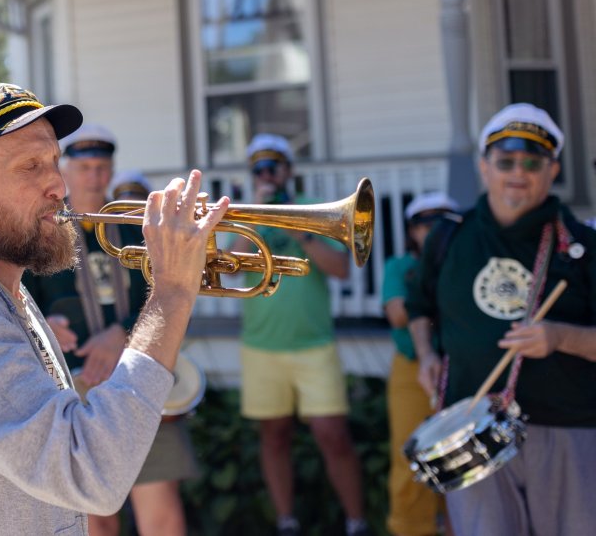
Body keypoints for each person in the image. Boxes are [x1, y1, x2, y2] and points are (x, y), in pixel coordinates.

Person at [0, 82, 227, 535]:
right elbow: (87, 472)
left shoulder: (4, 293)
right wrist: (171, 292)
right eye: (30, 166)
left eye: (55, 161)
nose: (58, 185)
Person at [407, 103, 596, 536]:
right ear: (484, 167)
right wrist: (424, 354)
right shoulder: (448, 237)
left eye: (532, 162)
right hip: (470, 429)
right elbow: (419, 307)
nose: (518, 172)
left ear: (553, 171)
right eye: (505, 160)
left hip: (566, 427)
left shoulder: (582, 245)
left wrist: (560, 337)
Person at [23, 125, 198, 536]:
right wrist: (45, 326)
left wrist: (121, 332)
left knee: (162, 511)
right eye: (84, 167)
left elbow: (171, 292)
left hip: (140, 377)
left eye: (102, 167)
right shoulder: (41, 229)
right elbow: (16, 301)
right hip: (71, 384)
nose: (94, 176)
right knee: (92, 516)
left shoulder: (136, 224)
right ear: (65, 169)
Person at [233, 134, 368, 536]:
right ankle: (286, 522)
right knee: (273, 436)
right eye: (260, 168)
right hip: (262, 346)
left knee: (334, 435)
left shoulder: (315, 210)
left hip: (313, 345)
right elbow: (234, 267)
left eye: (274, 166)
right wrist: (256, 213)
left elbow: (341, 269)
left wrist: (296, 226)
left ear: (289, 170)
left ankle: (356, 522)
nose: (268, 174)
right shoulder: (247, 210)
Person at [382, 192, 458, 536]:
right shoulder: (401, 266)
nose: (432, 229)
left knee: (463, 458)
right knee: (410, 455)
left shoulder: (465, 264)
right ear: (412, 232)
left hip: (462, 369)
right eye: (423, 223)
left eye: (442, 221)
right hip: (412, 370)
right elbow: (398, 313)